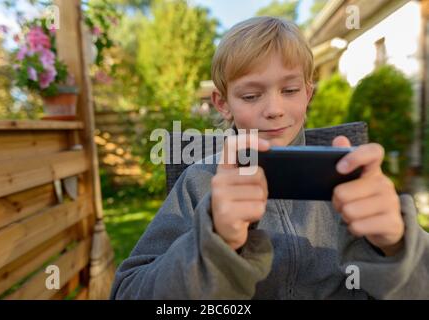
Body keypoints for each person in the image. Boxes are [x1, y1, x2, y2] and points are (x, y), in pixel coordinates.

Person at [110, 16, 429, 299]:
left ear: (308, 94)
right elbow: (127, 292)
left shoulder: (349, 178)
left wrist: (397, 247)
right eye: (251, 96)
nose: (274, 109)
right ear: (222, 104)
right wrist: (213, 245)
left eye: (290, 90)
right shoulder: (199, 181)